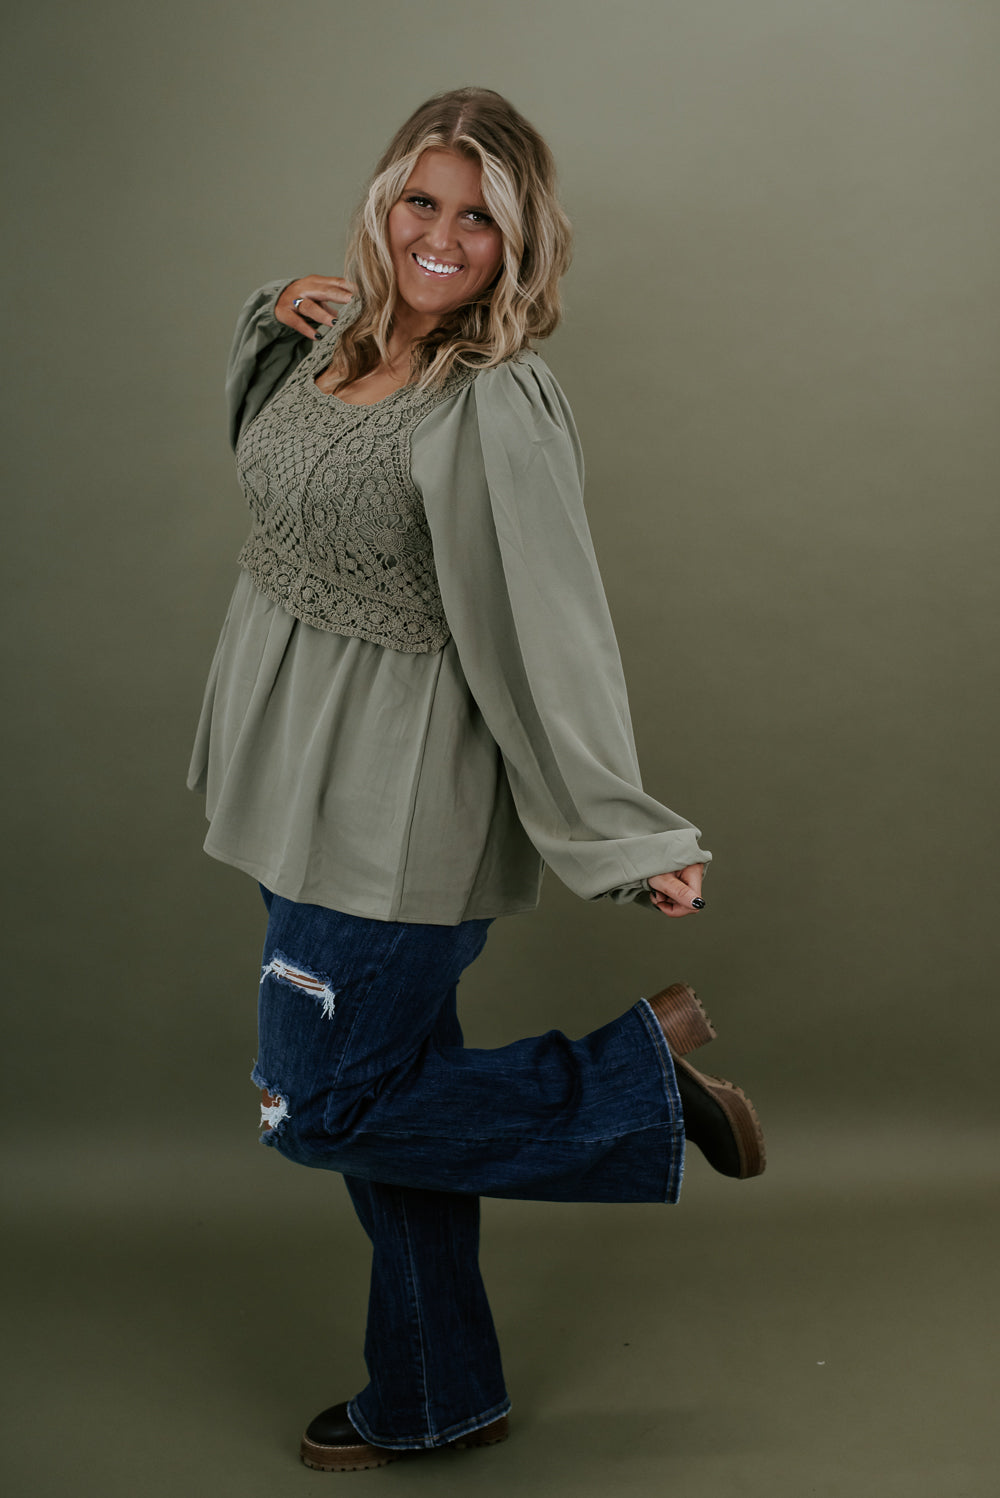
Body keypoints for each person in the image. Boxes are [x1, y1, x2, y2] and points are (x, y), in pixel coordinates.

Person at [187, 85, 765, 1473]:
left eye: (479, 218)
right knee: (402, 1103)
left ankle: (634, 1078)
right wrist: (271, 316)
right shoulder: (334, 337)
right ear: (384, 202)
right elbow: (276, 478)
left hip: (393, 807)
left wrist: (628, 832)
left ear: (520, 242)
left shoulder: (492, 401)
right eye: (421, 201)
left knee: (320, 1103)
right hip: (293, 782)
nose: (440, 236)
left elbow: (551, 631)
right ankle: (436, 1389)